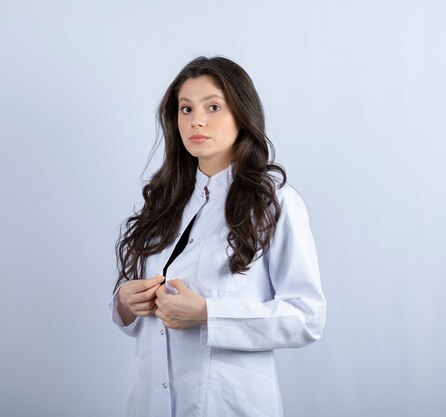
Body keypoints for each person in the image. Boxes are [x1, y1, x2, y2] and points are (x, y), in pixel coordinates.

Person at [109, 56, 326, 417]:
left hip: (229, 405)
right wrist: (126, 303)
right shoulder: (165, 201)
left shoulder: (275, 203)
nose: (196, 120)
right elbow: (138, 318)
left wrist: (210, 314)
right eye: (185, 108)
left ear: (241, 113)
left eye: (213, 107)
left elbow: (307, 317)